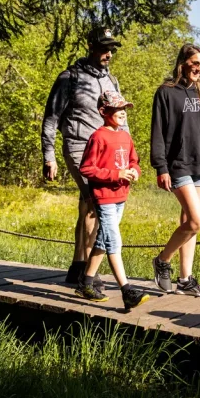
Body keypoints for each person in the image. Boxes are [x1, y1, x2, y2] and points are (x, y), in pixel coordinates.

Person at [41, 26, 126, 287]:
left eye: (111, 49)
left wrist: (127, 148)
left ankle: (77, 266)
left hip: (107, 149)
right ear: (90, 46)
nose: (108, 53)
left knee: (87, 206)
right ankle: (90, 272)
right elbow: (51, 118)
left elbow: (120, 116)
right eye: (103, 48)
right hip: (78, 147)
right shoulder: (70, 77)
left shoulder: (112, 80)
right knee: (96, 202)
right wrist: (49, 156)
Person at [149, 43, 200, 297]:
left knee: (188, 222)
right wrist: (161, 167)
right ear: (183, 63)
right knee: (195, 220)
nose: (199, 69)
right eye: (195, 64)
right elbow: (157, 133)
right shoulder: (166, 92)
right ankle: (162, 260)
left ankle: (185, 279)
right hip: (177, 165)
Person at [73, 91, 149, 310]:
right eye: (117, 109)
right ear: (103, 111)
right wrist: (116, 175)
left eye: (124, 109)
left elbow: (134, 161)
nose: (122, 113)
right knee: (114, 241)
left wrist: (134, 171)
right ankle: (127, 291)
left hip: (121, 196)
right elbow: (86, 168)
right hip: (103, 197)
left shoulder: (125, 136)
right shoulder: (98, 137)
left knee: (103, 240)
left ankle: (86, 283)